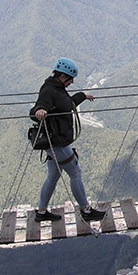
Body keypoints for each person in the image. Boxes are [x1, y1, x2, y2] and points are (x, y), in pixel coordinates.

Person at [30, 57, 106, 223]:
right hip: (57, 142)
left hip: (58, 141)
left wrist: (83, 96)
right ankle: (86, 210)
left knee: (53, 175)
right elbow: (39, 106)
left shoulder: (57, 88)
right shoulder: (49, 90)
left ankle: (41, 212)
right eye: (71, 80)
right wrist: (40, 111)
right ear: (64, 77)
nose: (71, 83)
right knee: (76, 174)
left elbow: (67, 103)